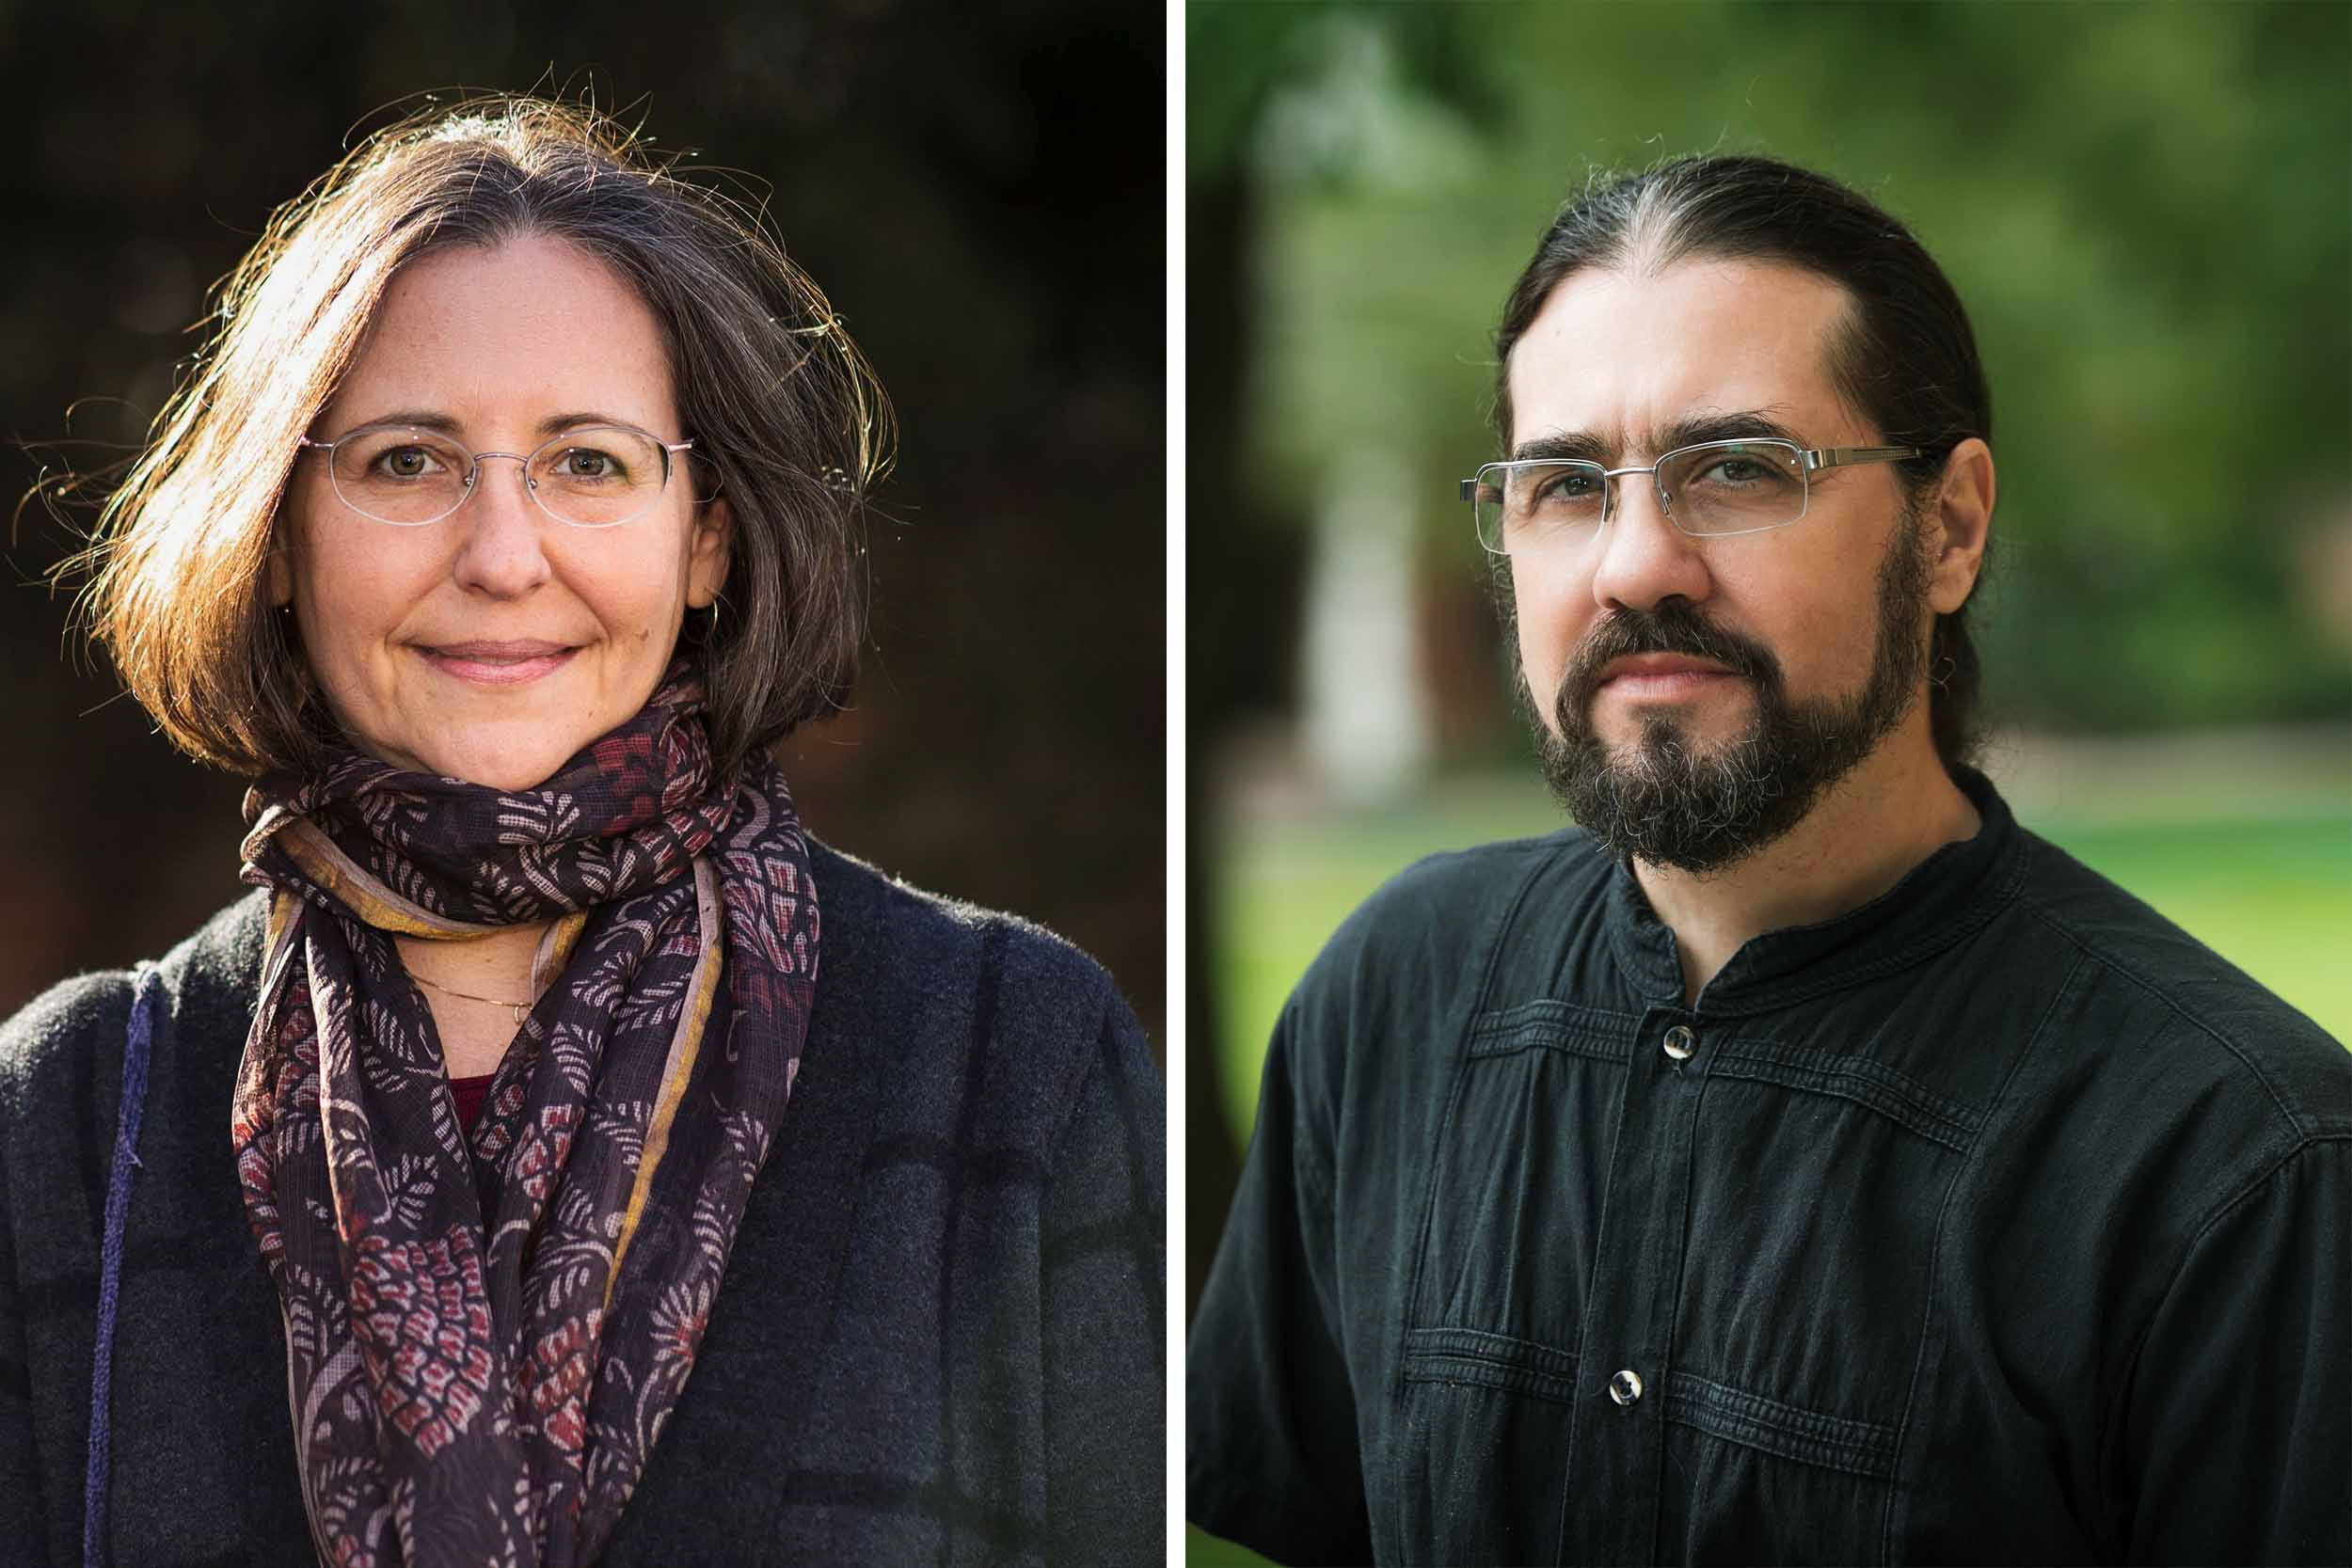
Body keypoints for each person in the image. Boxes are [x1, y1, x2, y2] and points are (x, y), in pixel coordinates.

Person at [1, 96, 1162, 1567]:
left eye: (589, 463)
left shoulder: (1010, 1060)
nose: (500, 555)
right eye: (407, 461)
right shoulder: (66, 1125)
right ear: (280, 532)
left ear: (708, 538)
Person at [1187, 154, 2350, 1565]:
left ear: (1950, 526)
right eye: (1564, 484)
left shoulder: (2237, 1166)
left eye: (1739, 469)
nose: (1634, 564)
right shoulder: (1397, 1000)